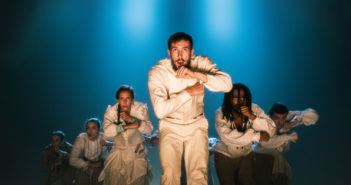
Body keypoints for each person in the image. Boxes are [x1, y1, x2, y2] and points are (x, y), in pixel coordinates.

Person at [148, 32, 232, 185]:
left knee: (198, 176)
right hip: (170, 126)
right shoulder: (158, 72)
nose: (180, 55)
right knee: (170, 176)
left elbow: (227, 84)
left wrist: (197, 74)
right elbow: (160, 111)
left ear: (192, 52)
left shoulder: (200, 63)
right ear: (169, 52)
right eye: (175, 50)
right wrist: (189, 92)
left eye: (185, 50)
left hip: (196, 125)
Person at [213, 83, 276, 185]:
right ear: (229, 98)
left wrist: (252, 116)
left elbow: (271, 128)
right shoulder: (220, 112)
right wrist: (256, 136)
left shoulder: (254, 109)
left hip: (246, 154)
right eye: (235, 98)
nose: (240, 101)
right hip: (224, 155)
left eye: (243, 97)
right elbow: (227, 136)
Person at [99, 85, 153, 185]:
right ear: (118, 99)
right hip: (118, 155)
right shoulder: (111, 112)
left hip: (136, 155)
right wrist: (126, 125)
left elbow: (149, 129)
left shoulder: (140, 109)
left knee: (137, 180)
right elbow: (107, 131)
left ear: (132, 99)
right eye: (121, 98)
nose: (124, 102)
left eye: (128, 98)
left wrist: (133, 120)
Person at [254, 103, 319, 185]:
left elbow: (314, 116)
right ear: (270, 117)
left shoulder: (288, 118)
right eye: (276, 118)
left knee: (281, 173)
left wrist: (295, 121)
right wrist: (290, 137)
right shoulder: (263, 123)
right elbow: (265, 143)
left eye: (283, 118)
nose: (280, 122)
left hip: (277, 163)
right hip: (259, 158)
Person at [70, 118, 107, 185]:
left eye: (93, 128)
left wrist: (101, 161)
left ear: (99, 130)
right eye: (87, 128)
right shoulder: (81, 138)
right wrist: (90, 164)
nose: (90, 131)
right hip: (84, 167)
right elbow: (72, 160)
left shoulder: (103, 138)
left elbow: (105, 154)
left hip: (99, 168)